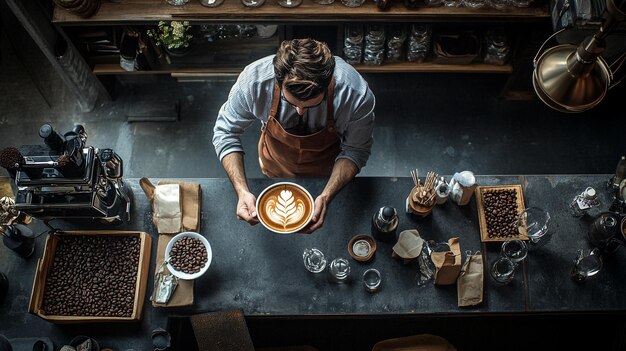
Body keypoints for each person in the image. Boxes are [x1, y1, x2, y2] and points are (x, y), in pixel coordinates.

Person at [213, 38, 375, 233]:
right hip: (274, 163)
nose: (299, 111)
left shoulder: (355, 94)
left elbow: (355, 150)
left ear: (328, 84)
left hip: (327, 170)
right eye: (291, 103)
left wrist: (326, 196)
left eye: (311, 105)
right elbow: (226, 132)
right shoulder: (253, 82)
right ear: (278, 82)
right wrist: (242, 191)